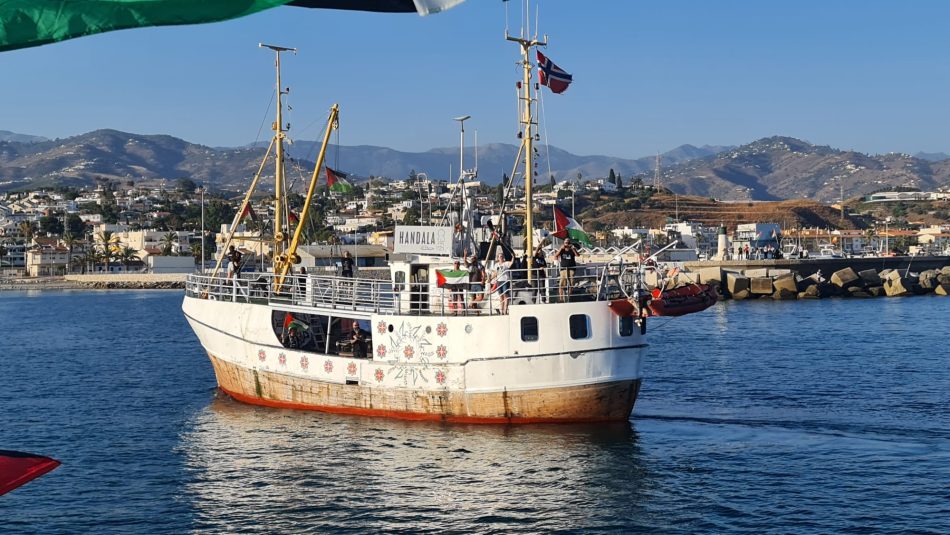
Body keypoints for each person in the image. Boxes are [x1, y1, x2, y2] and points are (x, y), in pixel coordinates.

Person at [555, 238, 578, 303]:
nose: (566, 244)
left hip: (571, 269)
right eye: (565, 243)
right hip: (563, 270)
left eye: (568, 243)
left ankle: (570, 297)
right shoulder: (562, 250)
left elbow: (577, 255)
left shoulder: (572, 250)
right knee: (561, 284)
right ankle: (561, 298)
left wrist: (573, 248)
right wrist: (561, 248)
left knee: (571, 284)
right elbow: (556, 255)